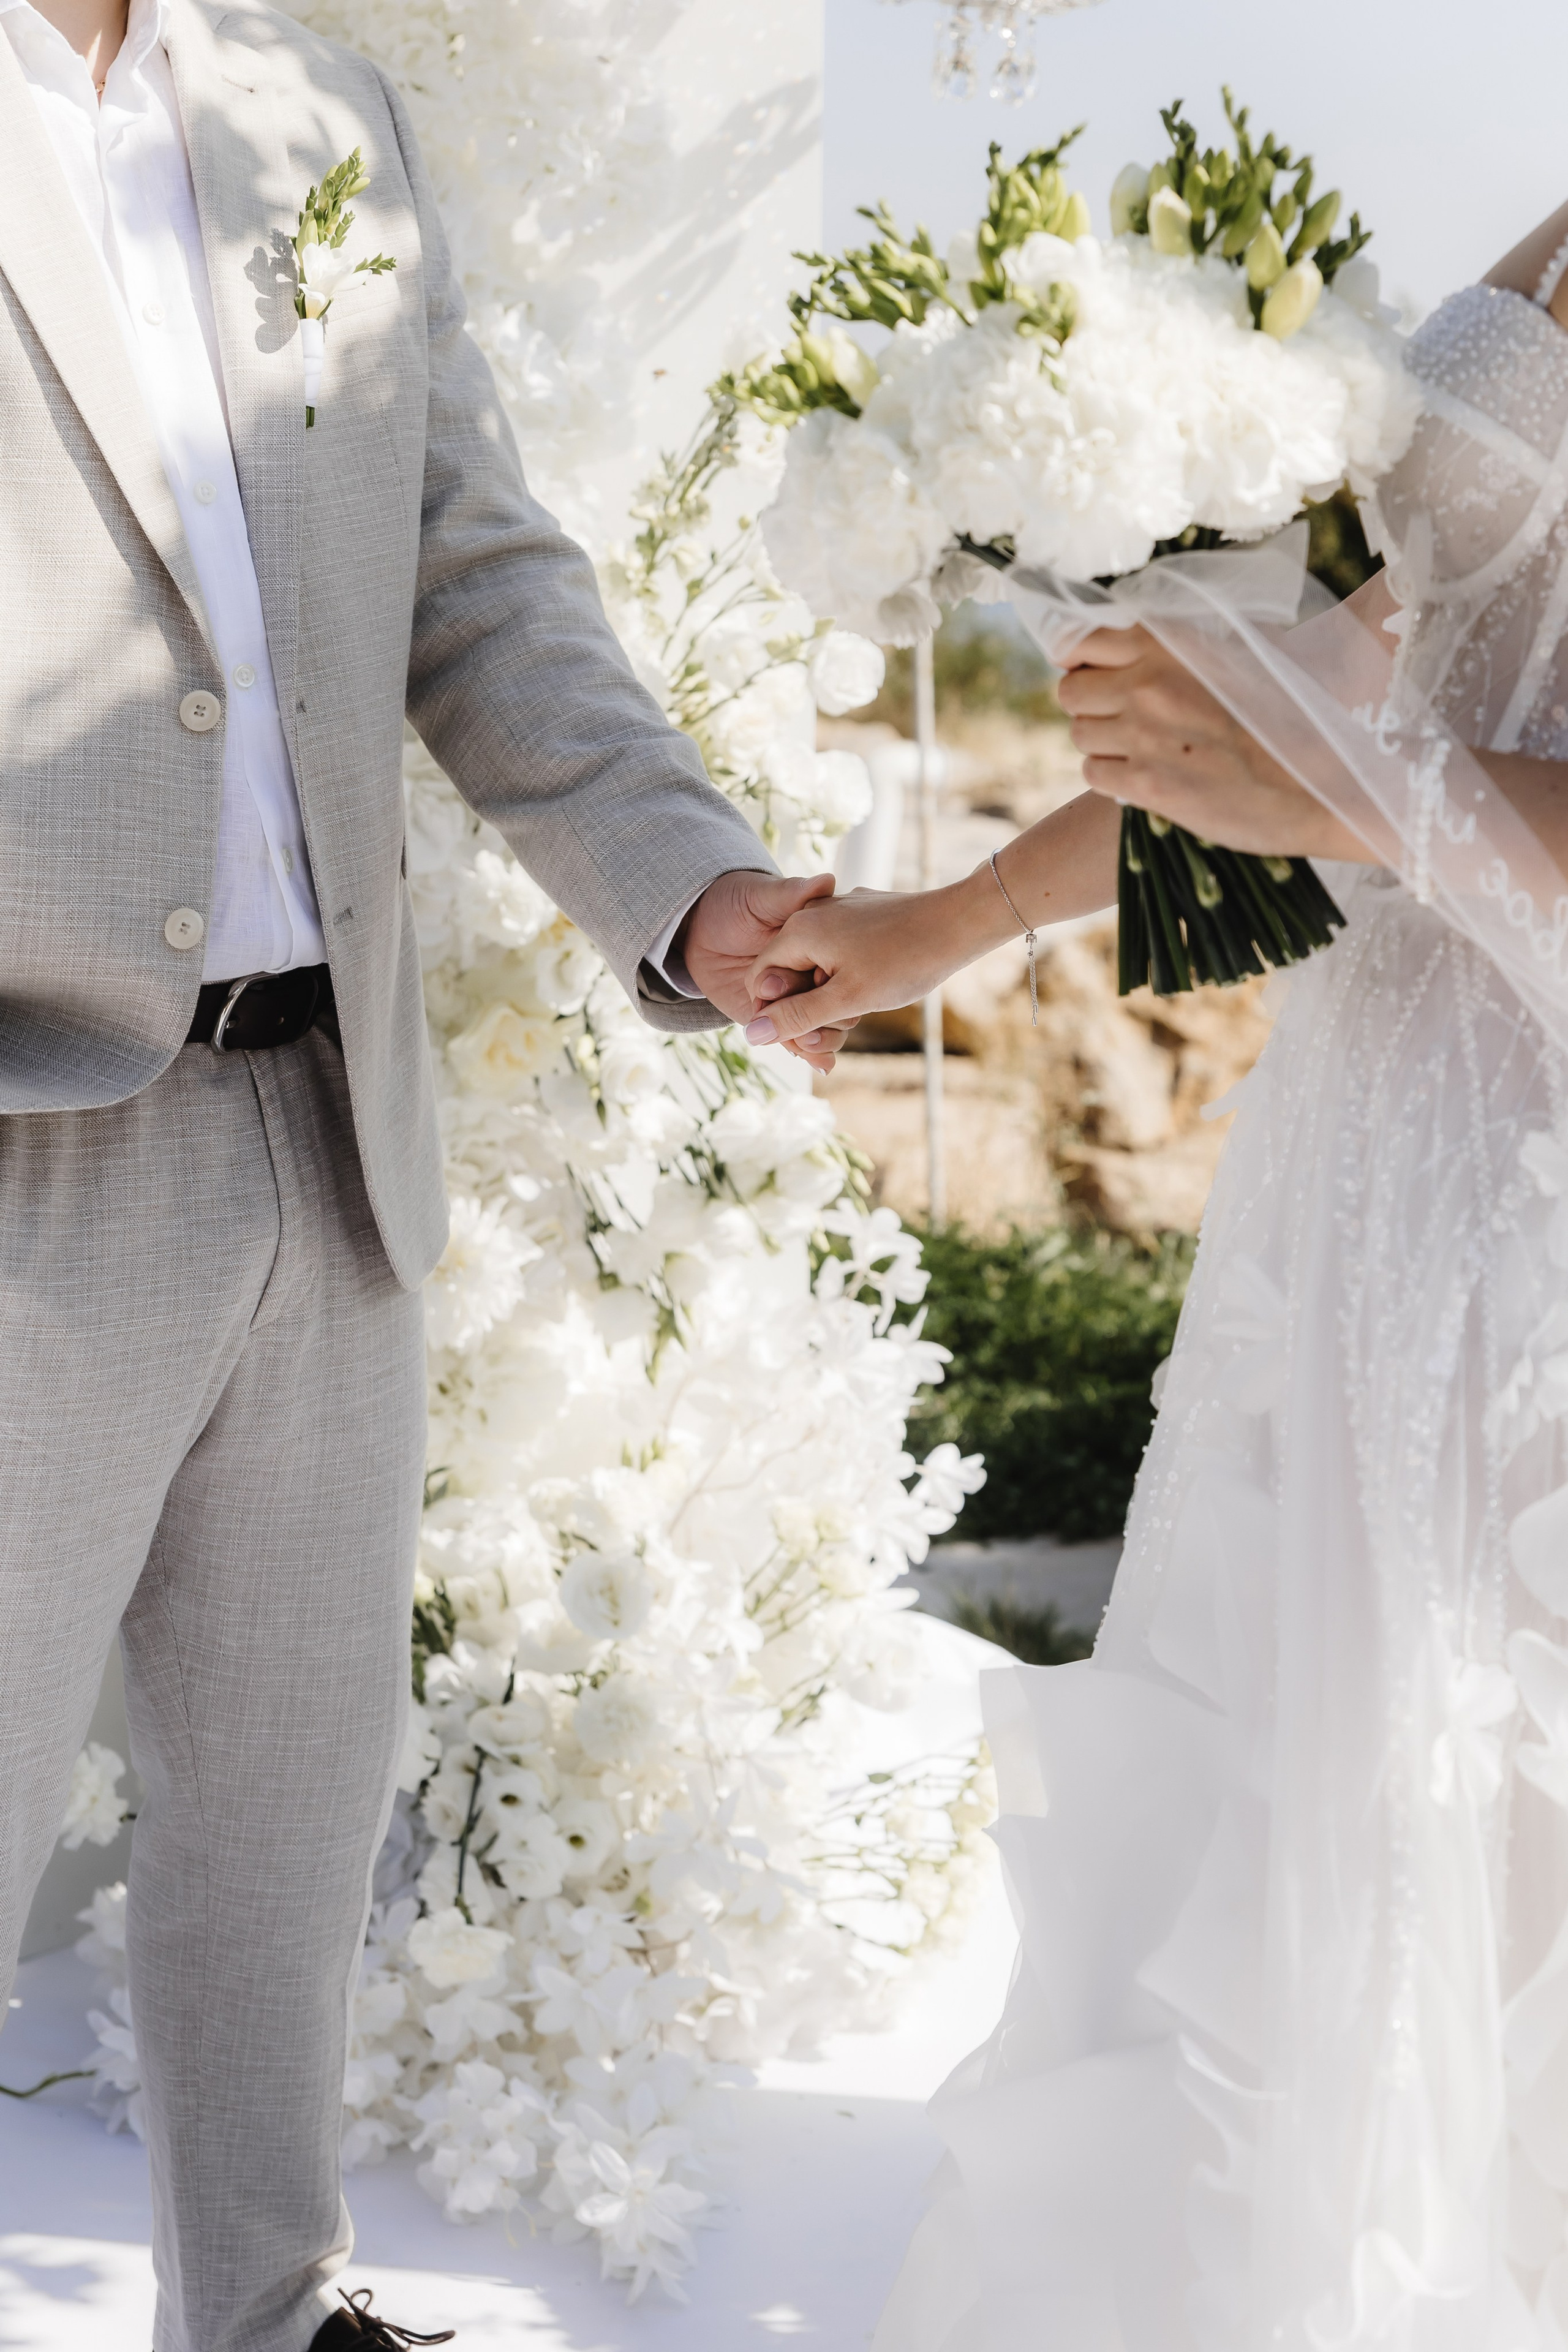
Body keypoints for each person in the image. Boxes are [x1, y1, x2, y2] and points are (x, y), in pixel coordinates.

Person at [0, 1, 854, 2346]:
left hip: (329, 1123)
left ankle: (269, 2318)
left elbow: (472, 569)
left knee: (278, 1844)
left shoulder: (313, 109)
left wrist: (683, 887)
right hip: (22, 1144)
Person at [750, 205, 1568, 2350]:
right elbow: (1349, 690)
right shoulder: (1559, 216)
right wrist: (958, 913)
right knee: (1318, 1764)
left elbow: (1367, 765)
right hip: (1382, 1143)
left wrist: (1372, 782)